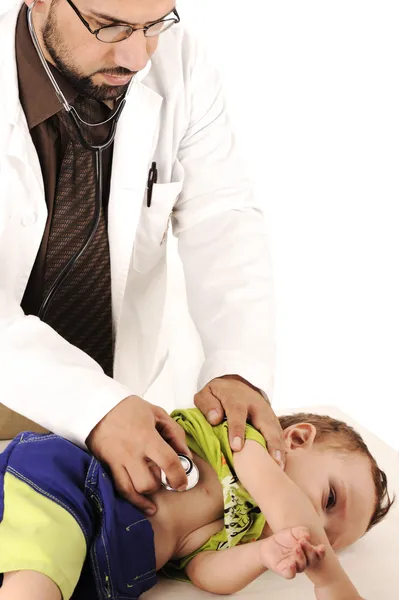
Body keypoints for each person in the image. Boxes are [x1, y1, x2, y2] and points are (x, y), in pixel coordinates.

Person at [0, 0, 282, 516]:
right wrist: (92, 406)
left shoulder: (180, 63)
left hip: (111, 409)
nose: (137, 56)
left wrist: (237, 366)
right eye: (109, 25)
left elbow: (220, 216)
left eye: (155, 24)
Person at [0, 408, 394, 600]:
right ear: (295, 439)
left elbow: (205, 571)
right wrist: (332, 580)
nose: (316, 533)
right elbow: (281, 498)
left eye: (330, 538)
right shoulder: (245, 441)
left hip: (100, 567)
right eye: (328, 500)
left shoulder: (242, 532)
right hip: (72, 488)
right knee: (39, 574)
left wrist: (261, 554)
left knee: (40, 574)